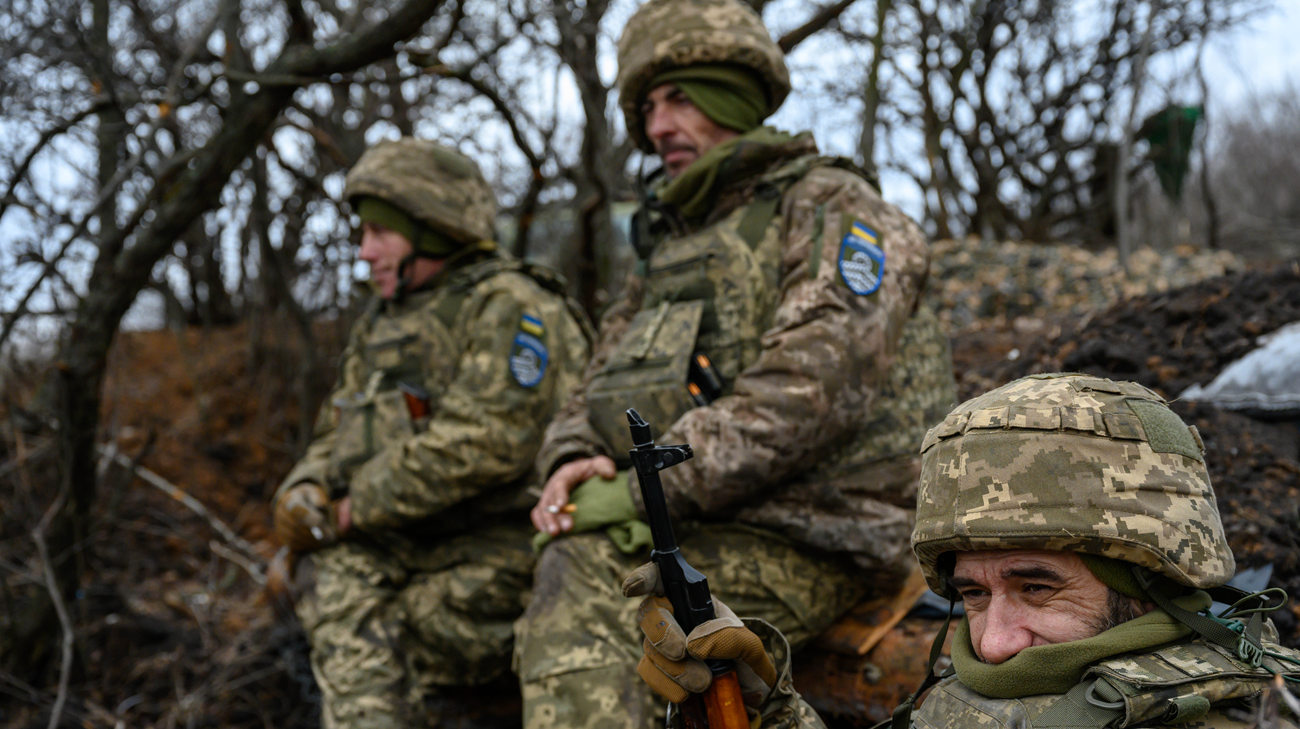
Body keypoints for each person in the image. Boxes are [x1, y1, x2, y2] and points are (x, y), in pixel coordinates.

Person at [512, 0, 957, 727]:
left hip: (820, 534)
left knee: (587, 587)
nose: (657, 127)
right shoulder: (670, 246)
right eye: (648, 106)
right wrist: (571, 459)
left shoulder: (835, 208)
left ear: (735, 96)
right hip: (693, 525)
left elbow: (806, 393)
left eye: (681, 97)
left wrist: (636, 495)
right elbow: (590, 384)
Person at [626, 373, 1300, 729]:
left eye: (1037, 586)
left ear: (1151, 578)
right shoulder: (993, 695)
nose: (997, 641)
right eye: (972, 593)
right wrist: (759, 705)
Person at [271, 137, 591, 729]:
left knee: (400, 629)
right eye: (362, 234)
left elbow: (488, 440)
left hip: (505, 543)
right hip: (404, 543)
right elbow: (332, 431)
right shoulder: (382, 323)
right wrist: (305, 491)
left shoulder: (511, 305)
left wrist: (346, 512)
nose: (364, 252)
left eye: (379, 234)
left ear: (434, 228)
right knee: (331, 589)